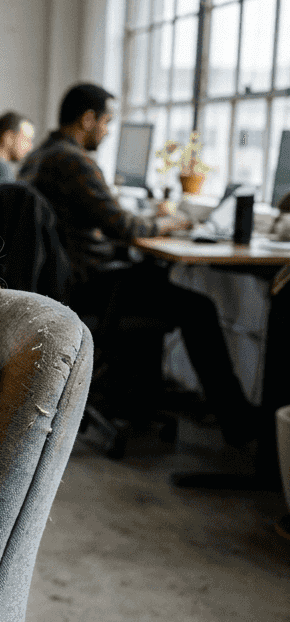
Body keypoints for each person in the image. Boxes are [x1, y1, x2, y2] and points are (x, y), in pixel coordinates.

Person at [18, 82, 256, 446]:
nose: (109, 131)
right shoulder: (74, 161)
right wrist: (176, 222)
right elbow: (125, 227)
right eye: (107, 122)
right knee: (199, 308)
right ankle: (240, 426)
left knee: (153, 279)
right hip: (92, 286)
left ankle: (140, 402)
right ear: (87, 119)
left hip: (65, 282)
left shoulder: (39, 156)